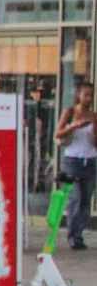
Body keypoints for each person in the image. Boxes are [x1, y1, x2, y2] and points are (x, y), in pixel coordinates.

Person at [62, 86, 97, 250]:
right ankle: (71, 235)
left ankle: (78, 236)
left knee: (85, 200)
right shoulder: (70, 112)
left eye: (92, 95)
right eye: (86, 95)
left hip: (89, 160)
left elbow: (95, 144)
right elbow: (58, 133)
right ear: (79, 95)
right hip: (72, 161)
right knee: (74, 197)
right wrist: (75, 126)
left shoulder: (94, 116)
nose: (89, 99)